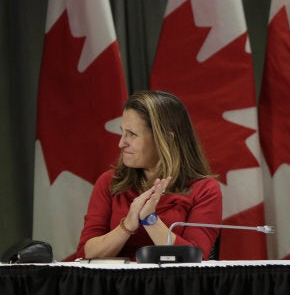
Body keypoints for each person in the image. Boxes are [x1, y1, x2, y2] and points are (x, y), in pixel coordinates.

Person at [72, 90, 222, 260]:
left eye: (132, 134)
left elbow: (196, 258)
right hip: (115, 284)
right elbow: (85, 254)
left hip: (174, 285)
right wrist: (127, 225)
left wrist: (150, 220)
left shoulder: (205, 189)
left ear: (166, 138)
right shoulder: (109, 182)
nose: (121, 143)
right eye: (123, 132)